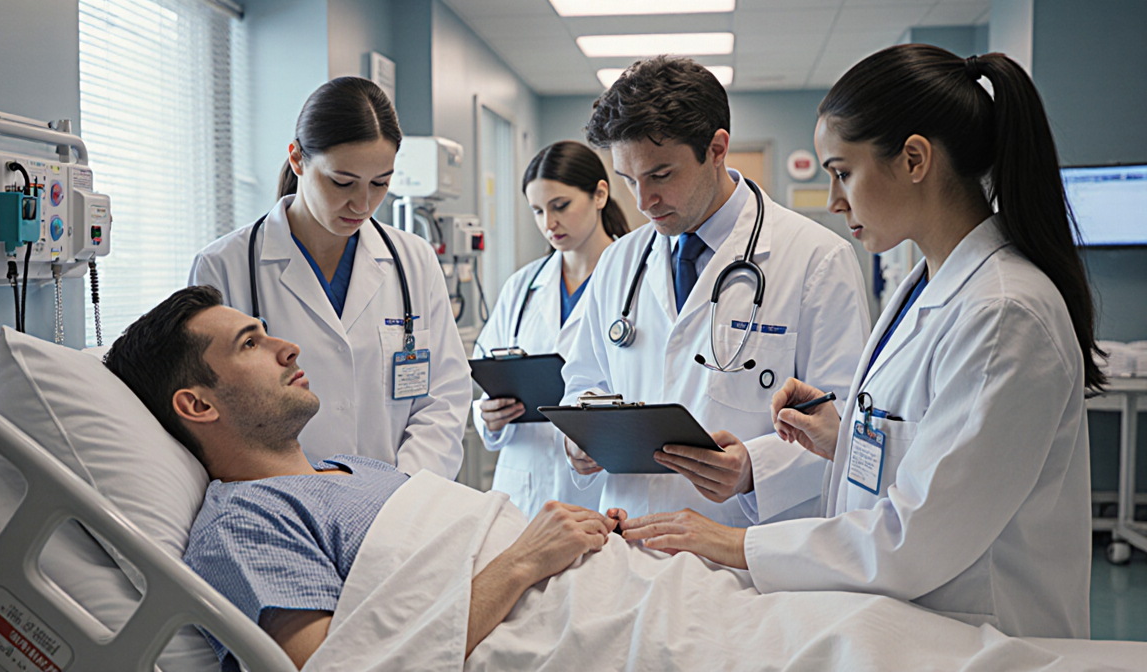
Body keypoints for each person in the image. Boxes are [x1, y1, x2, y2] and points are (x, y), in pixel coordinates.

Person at [619, 45, 1101, 639]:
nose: (833, 200)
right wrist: (844, 436)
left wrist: (733, 542)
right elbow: (943, 449)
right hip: (910, 624)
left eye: (843, 172)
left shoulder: (1004, 312)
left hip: (984, 636)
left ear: (915, 159)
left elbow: (917, 537)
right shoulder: (928, 287)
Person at [104, 286, 620, 670]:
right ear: (197, 404)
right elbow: (340, 665)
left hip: (611, 590)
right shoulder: (246, 523)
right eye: (249, 344)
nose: (288, 348)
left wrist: (588, 537)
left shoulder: (356, 468)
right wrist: (523, 559)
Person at [562, 56, 871, 528]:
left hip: (746, 550)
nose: (644, 202)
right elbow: (585, 383)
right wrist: (580, 439)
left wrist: (754, 469)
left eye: (661, 175)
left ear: (717, 148)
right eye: (628, 180)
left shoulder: (815, 258)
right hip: (629, 538)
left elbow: (848, 424)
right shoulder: (620, 261)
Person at [188, 77, 471, 477]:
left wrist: (403, 487)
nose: (363, 203)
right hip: (283, 501)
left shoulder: (414, 260)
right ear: (297, 159)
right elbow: (212, 408)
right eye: (342, 182)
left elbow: (444, 396)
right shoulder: (224, 266)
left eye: (380, 184)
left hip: (400, 503)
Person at [472, 141, 630, 515]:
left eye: (560, 206)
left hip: (603, 490)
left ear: (599, 195)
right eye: (538, 211)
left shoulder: (636, 279)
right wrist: (489, 415)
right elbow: (487, 374)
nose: (549, 223)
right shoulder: (523, 287)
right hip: (524, 489)